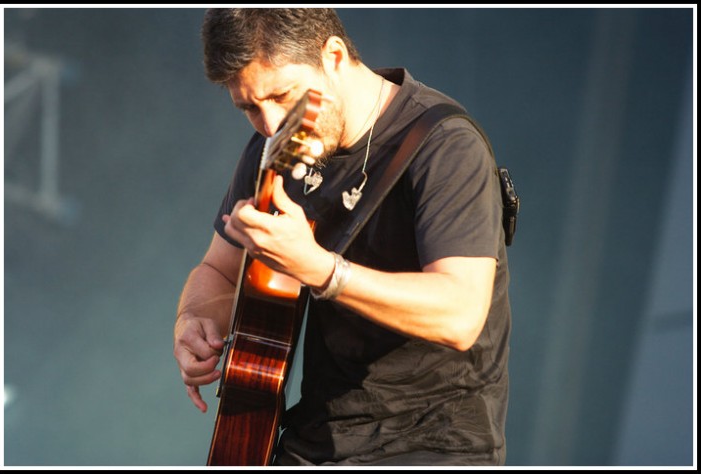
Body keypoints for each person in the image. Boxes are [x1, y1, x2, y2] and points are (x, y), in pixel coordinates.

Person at [173, 8, 512, 466]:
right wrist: (193, 319)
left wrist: (320, 269)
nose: (270, 125)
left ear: (333, 55)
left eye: (282, 95)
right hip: (315, 439)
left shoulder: (445, 146)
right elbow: (218, 269)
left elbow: (460, 313)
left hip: (432, 443)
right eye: (249, 107)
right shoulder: (275, 148)